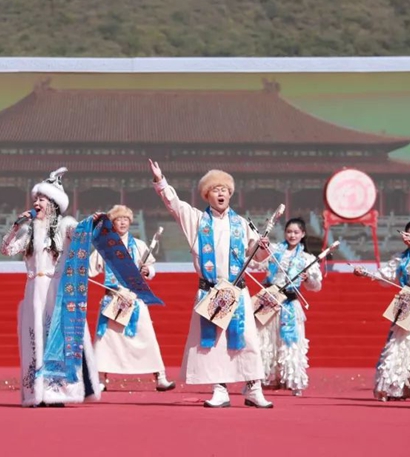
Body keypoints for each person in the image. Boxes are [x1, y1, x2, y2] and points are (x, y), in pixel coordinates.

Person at [149, 159, 273, 408]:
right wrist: (160, 181)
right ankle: (220, 389)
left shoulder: (242, 223)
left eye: (225, 190)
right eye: (216, 190)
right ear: (207, 195)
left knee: (247, 339)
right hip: (211, 290)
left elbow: (257, 257)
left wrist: (262, 247)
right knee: (214, 344)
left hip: (237, 291)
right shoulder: (196, 219)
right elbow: (174, 204)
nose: (221, 193)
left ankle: (253, 389)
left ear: (230, 194)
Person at [1, 168, 100, 406]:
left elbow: (78, 233)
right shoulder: (29, 230)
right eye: (36, 199)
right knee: (36, 338)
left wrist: (91, 223)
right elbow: (6, 249)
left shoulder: (64, 225)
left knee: (55, 337)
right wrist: (16, 226)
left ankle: (57, 391)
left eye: (42, 199)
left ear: (53, 204)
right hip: (33, 289)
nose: (37, 203)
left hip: (54, 289)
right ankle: (36, 392)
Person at [354, 219, 410, 401]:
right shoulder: (401, 258)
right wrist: (365, 273)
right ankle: (396, 388)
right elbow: (384, 275)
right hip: (408, 304)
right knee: (399, 346)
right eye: (407, 236)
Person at [90, 204, 174, 392]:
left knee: (147, 337)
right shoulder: (104, 247)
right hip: (113, 299)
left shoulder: (139, 245)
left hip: (135, 299)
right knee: (105, 341)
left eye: (126, 219)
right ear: (112, 224)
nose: (122, 223)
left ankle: (160, 377)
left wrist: (147, 271)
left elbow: (151, 268)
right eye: (118, 219)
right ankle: (100, 379)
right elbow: (89, 268)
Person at [257, 218, 322, 397]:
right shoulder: (275, 251)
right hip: (270, 301)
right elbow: (257, 261)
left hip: (290, 303)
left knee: (291, 343)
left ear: (303, 234)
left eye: (296, 232)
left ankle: (294, 381)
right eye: (289, 232)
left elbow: (316, 286)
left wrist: (308, 278)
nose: (292, 235)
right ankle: (267, 379)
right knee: (266, 340)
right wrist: (261, 247)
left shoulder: (307, 258)